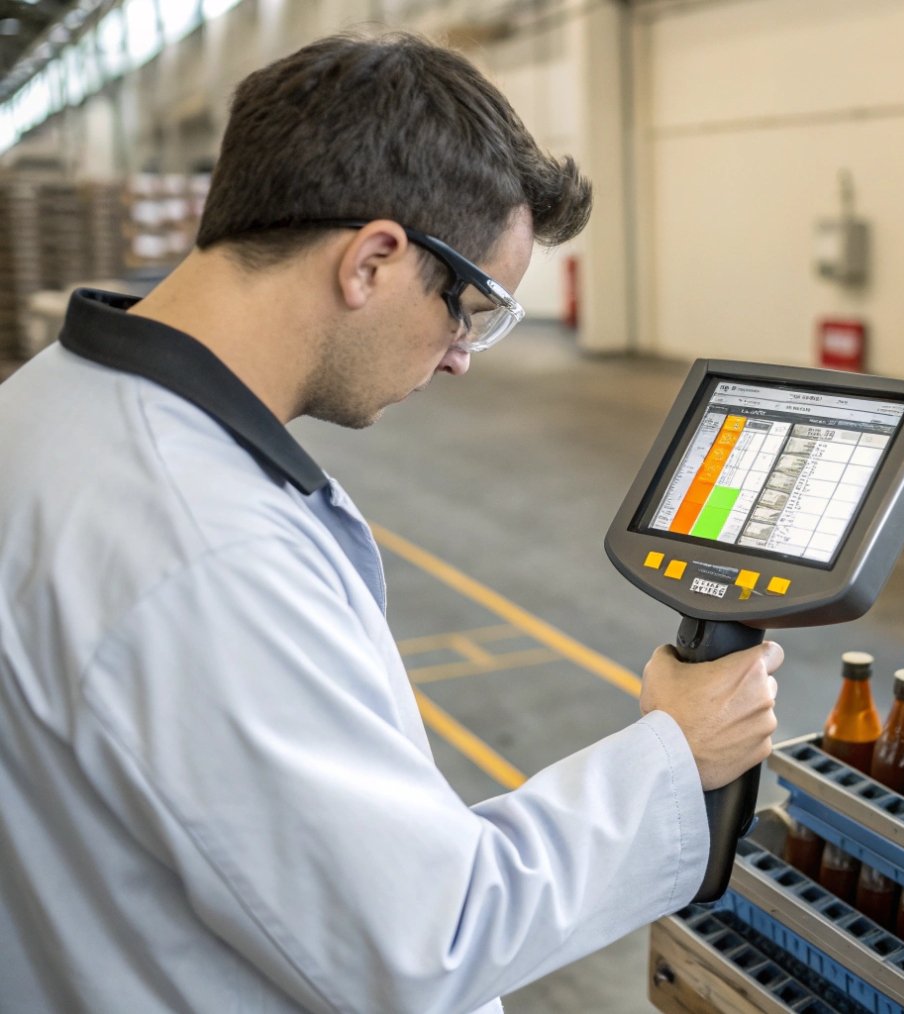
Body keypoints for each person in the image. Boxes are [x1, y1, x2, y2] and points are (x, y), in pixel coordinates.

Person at [0, 32, 782, 1014]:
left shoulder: (47, 404)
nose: (461, 355)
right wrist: (676, 752)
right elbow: (423, 945)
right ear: (373, 259)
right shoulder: (202, 548)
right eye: (473, 307)